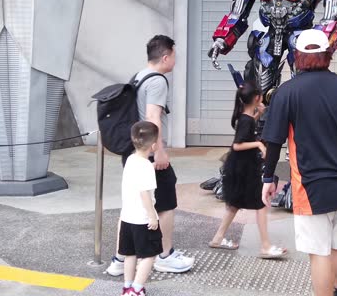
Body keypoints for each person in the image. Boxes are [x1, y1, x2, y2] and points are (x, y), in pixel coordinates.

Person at [260, 29, 337, 296]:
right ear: (327, 55)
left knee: (319, 252)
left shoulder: (286, 92)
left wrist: (268, 178)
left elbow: (273, 141)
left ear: (298, 56)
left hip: (311, 187)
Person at [107, 35, 194, 275]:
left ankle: (120, 259)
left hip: (133, 151)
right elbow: (152, 117)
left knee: (131, 206)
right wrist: (160, 151)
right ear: (165, 57)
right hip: (149, 154)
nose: (175, 60)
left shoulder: (139, 76)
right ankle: (165, 255)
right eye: (174, 55)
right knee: (165, 203)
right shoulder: (157, 81)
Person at [208, 81, 288, 259]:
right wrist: (259, 144)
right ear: (257, 98)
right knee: (261, 204)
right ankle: (265, 247)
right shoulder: (245, 120)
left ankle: (218, 238)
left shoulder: (246, 117)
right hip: (244, 169)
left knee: (234, 204)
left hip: (240, 168)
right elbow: (237, 145)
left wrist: (258, 114)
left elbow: (247, 130)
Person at [118, 121, 163, 296]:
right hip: (143, 219)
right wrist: (152, 216)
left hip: (127, 217)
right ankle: (136, 289)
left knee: (130, 254)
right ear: (153, 146)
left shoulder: (131, 160)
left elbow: (137, 179)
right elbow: (145, 194)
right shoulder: (146, 167)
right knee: (149, 255)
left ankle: (127, 287)